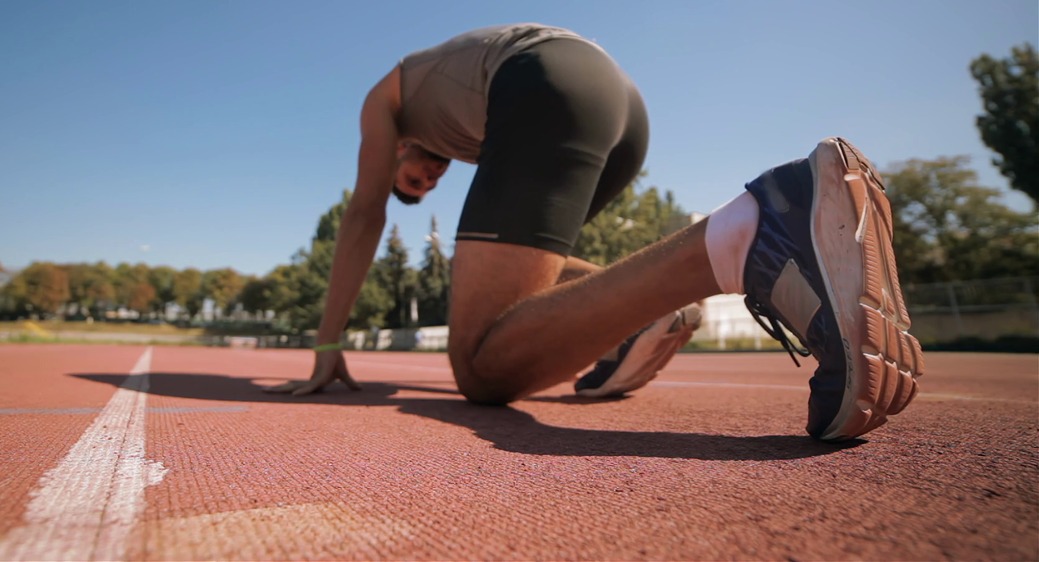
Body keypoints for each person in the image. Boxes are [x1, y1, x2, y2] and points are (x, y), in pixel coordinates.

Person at [267, 23, 923, 441]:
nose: (430, 177)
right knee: (529, 292)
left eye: (414, 173)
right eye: (424, 186)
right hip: (616, 102)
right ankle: (650, 310)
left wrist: (328, 341)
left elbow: (363, 213)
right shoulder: (456, 113)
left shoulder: (385, 99)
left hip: (544, 81)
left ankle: (747, 238)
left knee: (480, 368)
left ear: (398, 149)